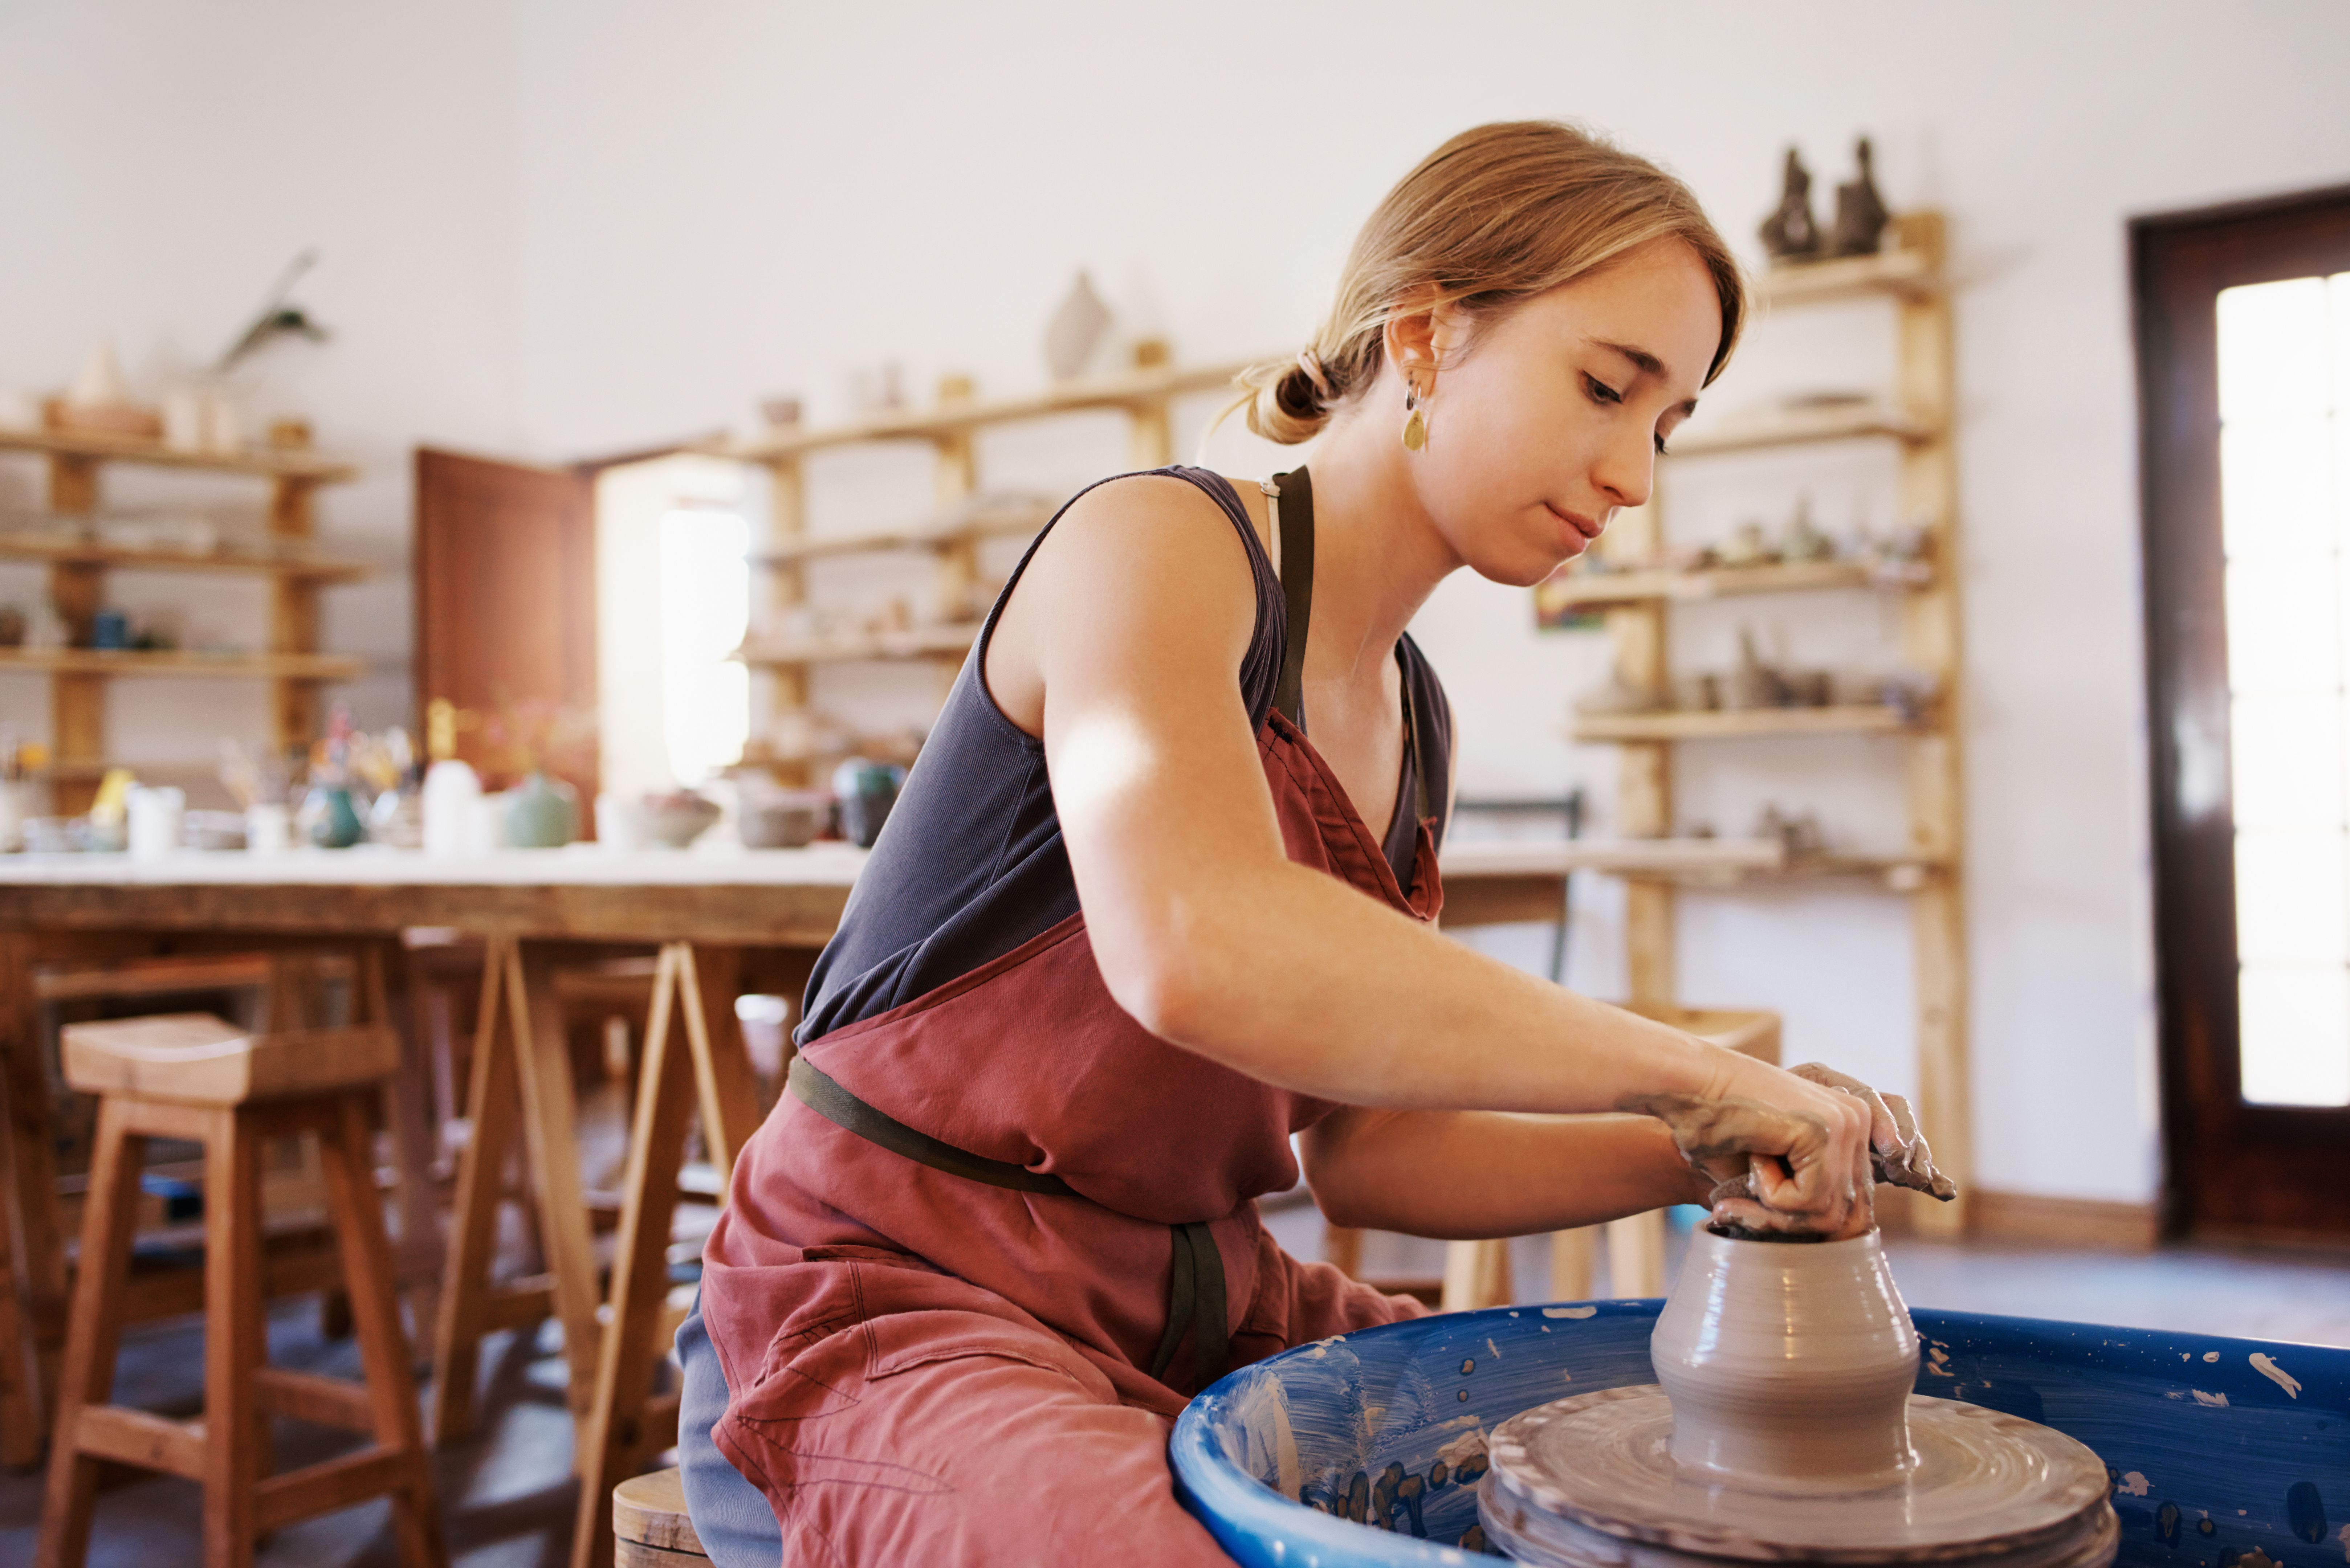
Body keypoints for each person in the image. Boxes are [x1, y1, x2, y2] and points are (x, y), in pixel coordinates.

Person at [675, 119, 1946, 1566]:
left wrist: (1694, 1153)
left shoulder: (1415, 714)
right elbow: (1196, 947)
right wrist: (1690, 1067)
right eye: (1605, 387)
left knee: (1610, 1466)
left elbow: (1372, 1155)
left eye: (1664, 426)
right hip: (897, 1303)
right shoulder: (1152, 546)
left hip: (1191, 1304)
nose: (1635, 476)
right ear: (1423, 335)